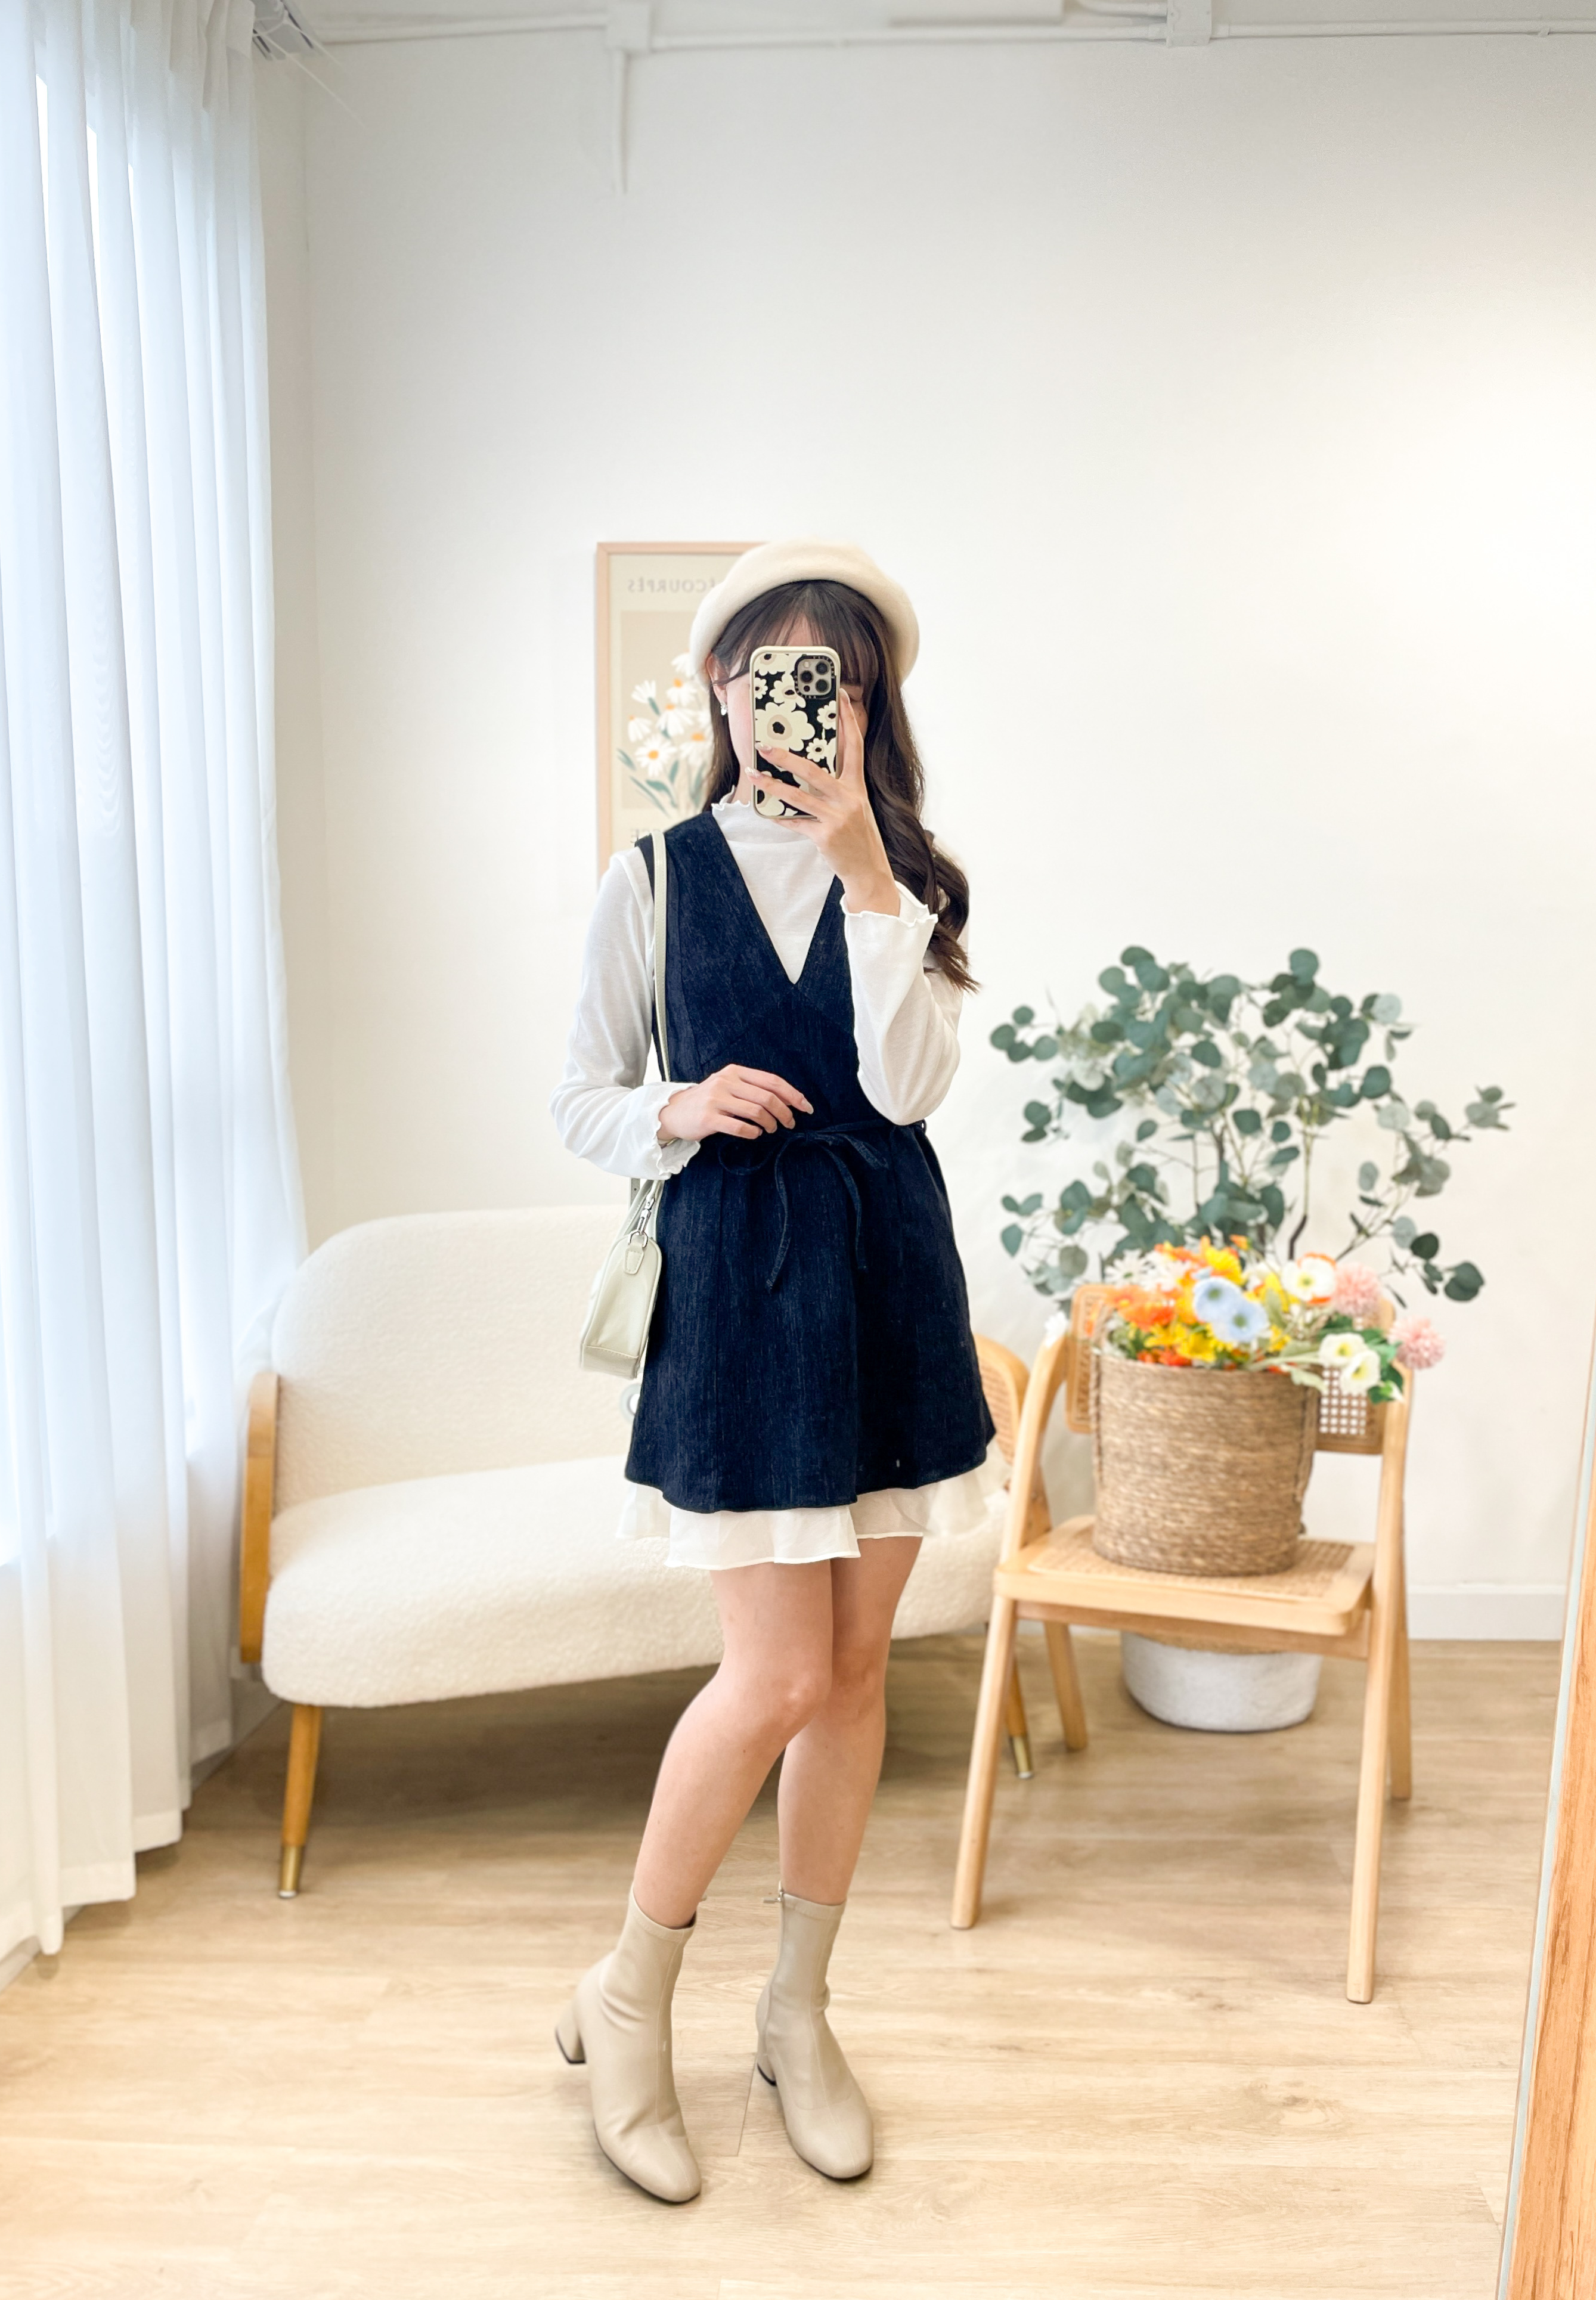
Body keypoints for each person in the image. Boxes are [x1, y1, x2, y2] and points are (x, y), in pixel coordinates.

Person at [550, 539, 993, 2202]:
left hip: (890, 1284)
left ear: (869, 706)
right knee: (777, 1676)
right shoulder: (653, 879)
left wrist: (868, 869)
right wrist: (679, 1104)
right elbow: (580, 1094)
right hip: (740, 1289)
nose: (799, 704)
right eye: (771, 673)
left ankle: (796, 2013)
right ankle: (630, 1992)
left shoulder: (914, 882)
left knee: (857, 1670)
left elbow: (910, 1086)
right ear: (722, 692)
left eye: (836, 680)